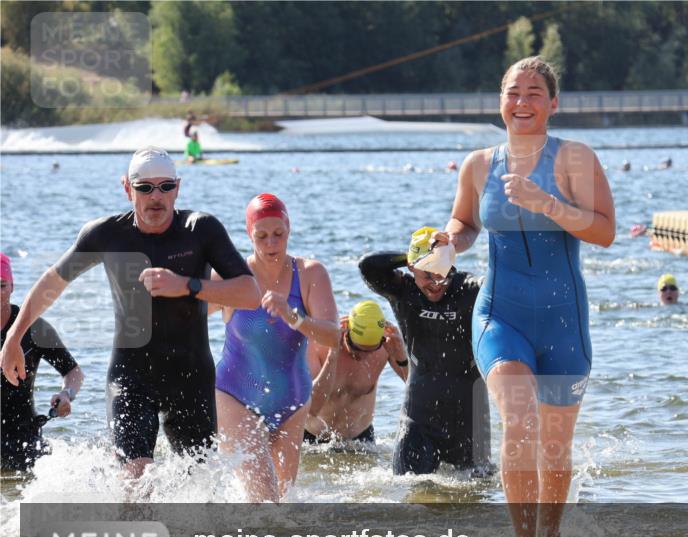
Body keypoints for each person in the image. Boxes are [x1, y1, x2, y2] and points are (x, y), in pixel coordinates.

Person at [1, 147, 260, 483]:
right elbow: (52, 282)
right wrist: (14, 337)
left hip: (191, 375)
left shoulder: (201, 229)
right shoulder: (106, 234)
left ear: (177, 188)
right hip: (131, 376)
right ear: (127, 188)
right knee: (134, 478)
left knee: (201, 485)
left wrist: (186, 284)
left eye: (166, 186)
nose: (157, 196)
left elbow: (250, 294)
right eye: (145, 187)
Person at [442, 56, 615, 537]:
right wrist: (447, 243)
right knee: (518, 423)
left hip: (564, 324)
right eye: (513, 92)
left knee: (555, 446)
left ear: (553, 103)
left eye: (534, 93)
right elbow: (465, 224)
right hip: (501, 315)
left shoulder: (575, 159)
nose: (522, 102)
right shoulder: (479, 165)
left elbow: (604, 232)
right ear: (500, 101)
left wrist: (547, 203)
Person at [213, 194, 339, 502]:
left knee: (281, 505)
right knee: (264, 499)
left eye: (278, 234)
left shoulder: (310, 274)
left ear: (289, 228)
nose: (271, 243)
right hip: (235, 396)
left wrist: (293, 316)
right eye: (262, 236)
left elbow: (333, 337)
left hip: (292, 402)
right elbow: (183, 317)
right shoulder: (232, 277)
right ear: (249, 235)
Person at [359, 227, 494, 477]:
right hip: (418, 421)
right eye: (427, 275)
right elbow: (368, 266)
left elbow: (504, 285)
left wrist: (448, 249)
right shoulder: (404, 292)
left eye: (441, 273)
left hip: (470, 426)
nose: (435, 284)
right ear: (411, 267)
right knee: (409, 501)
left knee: (475, 509)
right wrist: (413, 255)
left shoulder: (471, 290)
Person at [1, 253, 84, 472]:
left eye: (1, 285)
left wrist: (67, 394)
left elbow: (73, 371)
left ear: (12, 287)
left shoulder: (35, 328)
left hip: (24, 443)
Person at [304, 301, 408, 450]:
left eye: (371, 350)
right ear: (346, 331)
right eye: (358, 348)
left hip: (361, 442)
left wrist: (402, 357)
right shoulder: (317, 344)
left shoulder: (387, 347)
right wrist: (332, 356)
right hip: (313, 442)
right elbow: (311, 405)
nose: (363, 357)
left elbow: (416, 387)